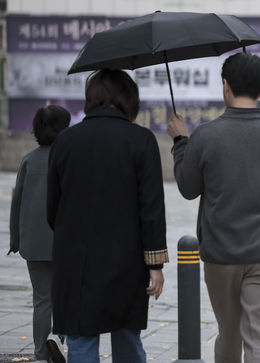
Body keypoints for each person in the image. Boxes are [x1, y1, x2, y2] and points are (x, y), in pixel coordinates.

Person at [167, 52, 260, 363]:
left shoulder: (205, 136)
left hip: (221, 252)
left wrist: (181, 143)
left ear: (225, 86)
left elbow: (188, 188)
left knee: (228, 332)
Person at [47, 69, 167, 362]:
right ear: (128, 99)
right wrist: (155, 264)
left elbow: (53, 210)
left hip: (75, 262)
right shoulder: (142, 140)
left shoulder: (65, 141)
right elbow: (151, 209)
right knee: (127, 337)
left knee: (82, 342)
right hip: (125, 263)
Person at [9, 105, 70, 363]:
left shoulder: (28, 160)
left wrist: (15, 239)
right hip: (64, 242)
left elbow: (17, 203)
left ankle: (41, 354)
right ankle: (58, 336)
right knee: (66, 296)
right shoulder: (69, 159)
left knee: (42, 299)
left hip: (33, 244)